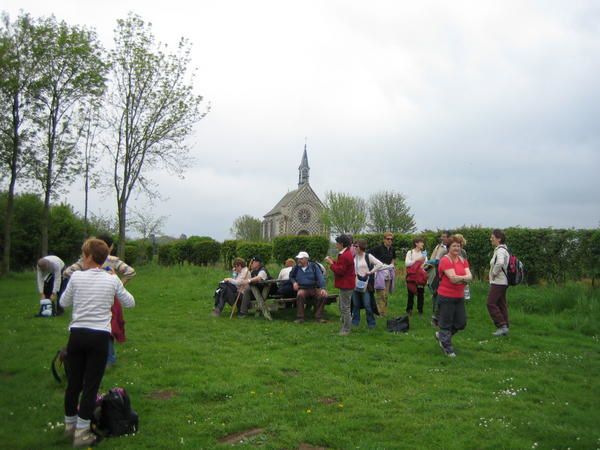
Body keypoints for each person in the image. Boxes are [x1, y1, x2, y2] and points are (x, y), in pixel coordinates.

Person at [59, 238, 135, 448]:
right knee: (90, 385)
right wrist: (115, 284)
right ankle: (81, 433)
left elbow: (63, 303)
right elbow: (130, 302)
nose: (82, 259)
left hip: (77, 335)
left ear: (91, 257)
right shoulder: (111, 280)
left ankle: (70, 427)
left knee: (74, 383)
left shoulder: (76, 278)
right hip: (99, 337)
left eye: (84, 255)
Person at [64, 234, 136, 368]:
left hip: (87, 299)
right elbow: (130, 272)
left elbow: (67, 273)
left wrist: (81, 280)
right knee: (108, 326)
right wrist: (119, 283)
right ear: (111, 246)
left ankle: (99, 359)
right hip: (108, 296)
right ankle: (107, 359)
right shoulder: (112, 261)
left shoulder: (83, 261)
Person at [434, 234, 472, 357]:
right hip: (446, 296)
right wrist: (464, 279)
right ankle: (447, 348)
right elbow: (452, 279)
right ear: (449, 247)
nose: (457, 248)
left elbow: (470, 277)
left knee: (461, 323)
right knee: (446, 323)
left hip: (459, 296)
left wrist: (461, 279)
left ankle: (441, 336)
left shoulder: (463, 260)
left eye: (459, 246)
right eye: (454, 246)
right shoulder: (445, 260)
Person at [325, 235, 355, 336]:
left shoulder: (345, 255)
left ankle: (346, 329)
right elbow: (341, 266)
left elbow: (340, 271)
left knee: (345, 308)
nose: (336, 245)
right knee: (343, 306)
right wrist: (333, 261)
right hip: (346, 284)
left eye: (337, 243)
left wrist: (330, 263)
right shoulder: (345, 253)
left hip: (346, 284)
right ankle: (345, 326)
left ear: (342, 244)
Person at [352, 240, 385, 329]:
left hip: (366, 284)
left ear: (361, 247)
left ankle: (371, 324)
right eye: (354, 246)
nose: (354, 248)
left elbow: (379, 264)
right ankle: (355, 323)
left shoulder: (368, 256)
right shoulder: (354, 257)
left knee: (367, 305)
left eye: (356, 246)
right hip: (355, 284)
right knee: (355, 304)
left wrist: (370, 272)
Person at [289, 251, 328, 323]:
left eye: (301, 259)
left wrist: (323, 288)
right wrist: (294, 282)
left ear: (306, 259)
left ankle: (319, 317)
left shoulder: (314, 266)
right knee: (300, 295)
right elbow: (291, 276)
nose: (298, 260)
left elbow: (320, 277)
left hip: (314, 288)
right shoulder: (296, 267)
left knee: (323, 295)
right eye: (298, 259)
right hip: (302, 288)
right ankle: (300, 317)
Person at [487, 229, 510, 336]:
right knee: (501, 304)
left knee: (490, 303)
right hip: (503, 282)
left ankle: (501, 326)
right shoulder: (503, 250)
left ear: (499, 239)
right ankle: (505, 328)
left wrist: (494, 273)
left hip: (499, 282)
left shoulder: (500, 250)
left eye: (493, 237)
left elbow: (500, 262)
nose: (491, 239)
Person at [426, 230, 451, 327]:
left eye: (445, 236)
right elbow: (433, 258)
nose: (443, 238)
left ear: (449, 238)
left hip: (444, 273)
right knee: (435, 292)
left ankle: (440, 316)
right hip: (436, 271)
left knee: (442, 294)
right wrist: (430, 264)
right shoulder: (438, 246)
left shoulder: (449, 248)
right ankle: (435, 315)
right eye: (442, 236)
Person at [368, 232, 396, 317]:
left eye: (391, 239)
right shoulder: (378, 248)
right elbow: (368, 255)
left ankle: (383, 312)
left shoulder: (392, 249)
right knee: (380, 294)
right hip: (379, 273)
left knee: (386, 294)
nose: (389, 241)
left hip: (388, 273)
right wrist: (374, 266)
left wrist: (392, 264)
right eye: (388, 239)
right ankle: (378, 312)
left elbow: (394, 258)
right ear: (384, 239)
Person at [405, 237, 428, 316]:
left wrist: (423, 266)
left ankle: (420, 310)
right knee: (410, 293)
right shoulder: (410, 252)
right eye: (421, 242)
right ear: (416, 243)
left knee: (420, 294)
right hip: (411, 276)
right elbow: (407, 263)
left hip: (420, 277)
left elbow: (426, 264)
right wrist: (417, 260)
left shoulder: (423, 253)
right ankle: (409, 310)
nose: (423, 244)